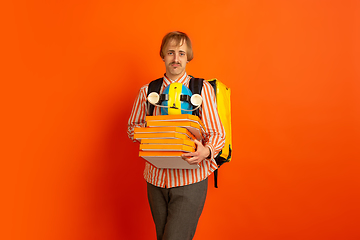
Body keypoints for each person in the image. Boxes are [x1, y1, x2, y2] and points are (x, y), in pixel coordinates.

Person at [127, 31, 225, 240]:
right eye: (171, 52)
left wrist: (206, 151)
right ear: (163, 55)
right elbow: (131, 129)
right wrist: (154, 129)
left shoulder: (202, 89)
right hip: (156, 179)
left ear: (188, 57)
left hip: (190, 178)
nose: (176, 58)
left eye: (181, 53)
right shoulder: (147, 91)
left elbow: (218, 133)